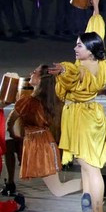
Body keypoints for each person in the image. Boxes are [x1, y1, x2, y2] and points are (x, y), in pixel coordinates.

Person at [49, 0, 106, 212]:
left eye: (79, 45)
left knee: (91, 168)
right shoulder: (100, 62)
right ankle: (90, 210)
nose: (75, 48)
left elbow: (73, 72)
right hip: (90, 115)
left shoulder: (81, 69)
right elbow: (97, 34)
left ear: (90, 50)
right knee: (87, 168)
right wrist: (95, 7)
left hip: (83, 119)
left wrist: (63, 70)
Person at [13, 65, 82, 197]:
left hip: (40, 147)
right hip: (44, 143)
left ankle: (95, 182)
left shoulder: (28, 102)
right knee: (58, 189)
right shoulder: (50, 101)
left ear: (41, 79)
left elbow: (14, 127)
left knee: (58, 189)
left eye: (34, 72)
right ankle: (95, 182)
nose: (30, 73)